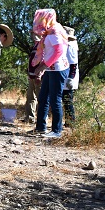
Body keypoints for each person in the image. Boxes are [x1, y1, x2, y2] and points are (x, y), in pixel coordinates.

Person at [31, 9, 69, 138]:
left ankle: (56, 131)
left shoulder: (54, 32)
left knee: (55, 99)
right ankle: (41, 127)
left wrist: (43, 66)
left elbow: (58, 51)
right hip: (50, 69)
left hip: (57, 69)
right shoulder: (51, 31)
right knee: (43, 98)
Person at [22, 32, 42, 124]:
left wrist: (40, 74)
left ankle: (42, 120)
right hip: (31, 76)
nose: (33, 35)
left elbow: (43, 61)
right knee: (30, 97)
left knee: (41, 98)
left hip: (38, 77)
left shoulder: (42, 45)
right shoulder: (35, 46)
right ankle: (29, 118)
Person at [62, 26, 79, 126]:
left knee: (68, 100)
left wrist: (70, 78)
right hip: (66, 75)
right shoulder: (68, 45)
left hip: (68, 77)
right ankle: (68, 121)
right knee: (66, 100)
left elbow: (73, 63)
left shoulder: (71, 46)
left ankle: (71, 121)